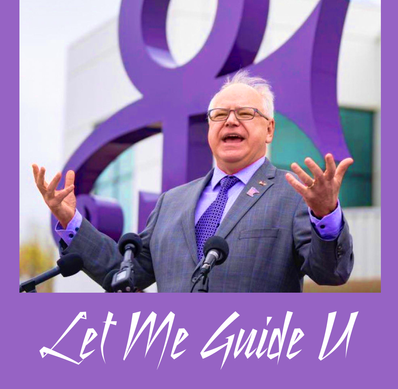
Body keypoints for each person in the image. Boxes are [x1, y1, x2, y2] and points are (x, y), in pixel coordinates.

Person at [33, 71, 354, 292]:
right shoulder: (171, 203)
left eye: (244, 113)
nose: (230, 120)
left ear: (269, 129)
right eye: (219, 115)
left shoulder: (294, 193)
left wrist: (325, 215)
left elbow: (332, 273)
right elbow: (122, 273)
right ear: (209, 128)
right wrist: (70, 220)